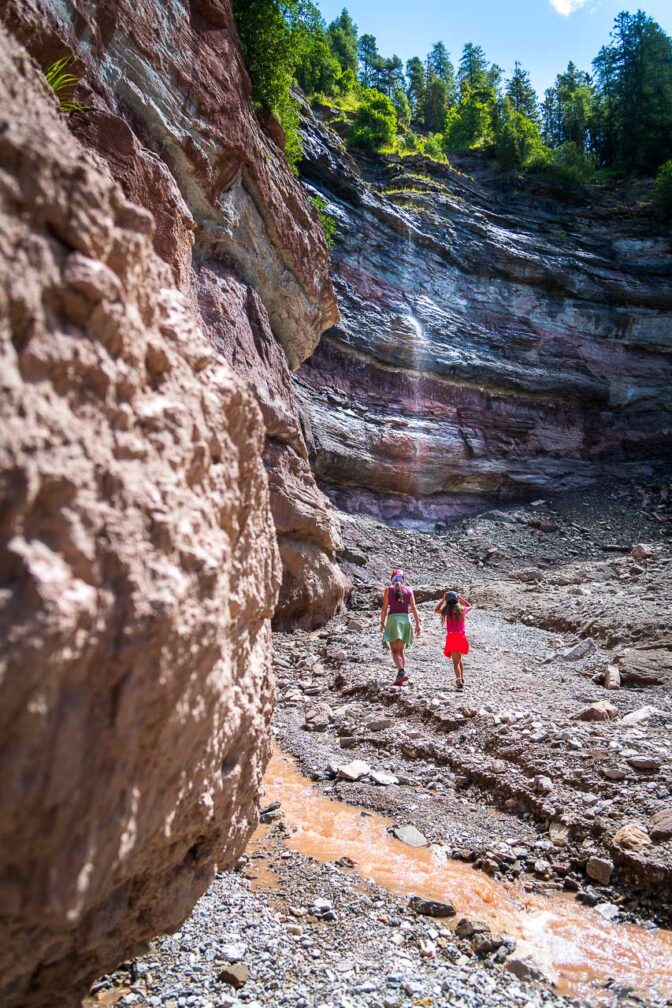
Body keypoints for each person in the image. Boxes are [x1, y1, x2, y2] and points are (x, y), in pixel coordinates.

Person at [380, 569, 421, 686]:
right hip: (406, 621)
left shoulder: (388, 590)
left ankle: (401, 672)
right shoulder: (409, 590)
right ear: (403, 579)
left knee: (394, 651)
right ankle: (400, 676)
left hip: (394, 620)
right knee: (401, 651)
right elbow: (413, 608)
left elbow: (384, 608)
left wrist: (382, 622)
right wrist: (418, 624)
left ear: (392, 579)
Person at [435, 591, 471, 690]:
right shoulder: (461, 610)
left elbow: (436, 610)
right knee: (459, 659)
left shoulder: (446, 611)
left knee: (455, 662)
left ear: (447, 601)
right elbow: (469, 606)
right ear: (456, 600)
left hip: (452, 637)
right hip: (461, 637)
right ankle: (462, 678)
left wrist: (442, 600)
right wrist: (460, 597)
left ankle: (459, 680)